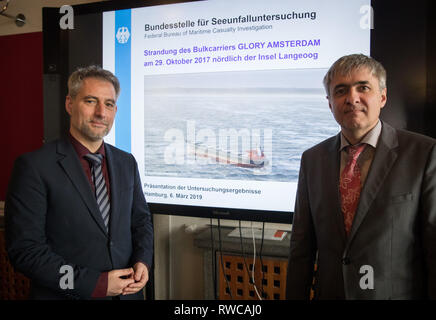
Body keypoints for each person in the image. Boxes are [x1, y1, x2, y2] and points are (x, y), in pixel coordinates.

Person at [286, 54, 436, 299]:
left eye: (363, 87)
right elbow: (301, 248)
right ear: (330, 102)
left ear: (383, 97)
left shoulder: (424, 153)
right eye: (341, 90)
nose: (352, 98)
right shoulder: (312, 159)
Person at [5, 66, 154, 300]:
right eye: (90, 101)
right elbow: (26, 251)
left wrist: (142, 260)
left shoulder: (126, 162)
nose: (101, 113)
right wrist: (96, 284)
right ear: (69, 104)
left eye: (109, 104)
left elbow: (141, 221)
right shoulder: (33, 167)